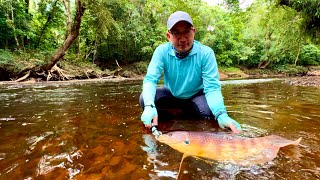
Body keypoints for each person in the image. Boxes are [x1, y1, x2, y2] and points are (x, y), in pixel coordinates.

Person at [139, 11, 242, 136]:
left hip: (196, 96)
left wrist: (221, 114)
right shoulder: (161, 51)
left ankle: (179, 115)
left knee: (209, 112)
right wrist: (150, 106)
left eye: (187, 32)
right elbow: (150, 80)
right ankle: (175, 115)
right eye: (176, 33)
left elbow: (212, 88)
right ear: (168, 36)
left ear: (194, 32)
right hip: (172, 95)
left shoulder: (206, 53)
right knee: (144, 99)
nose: (182, 39)